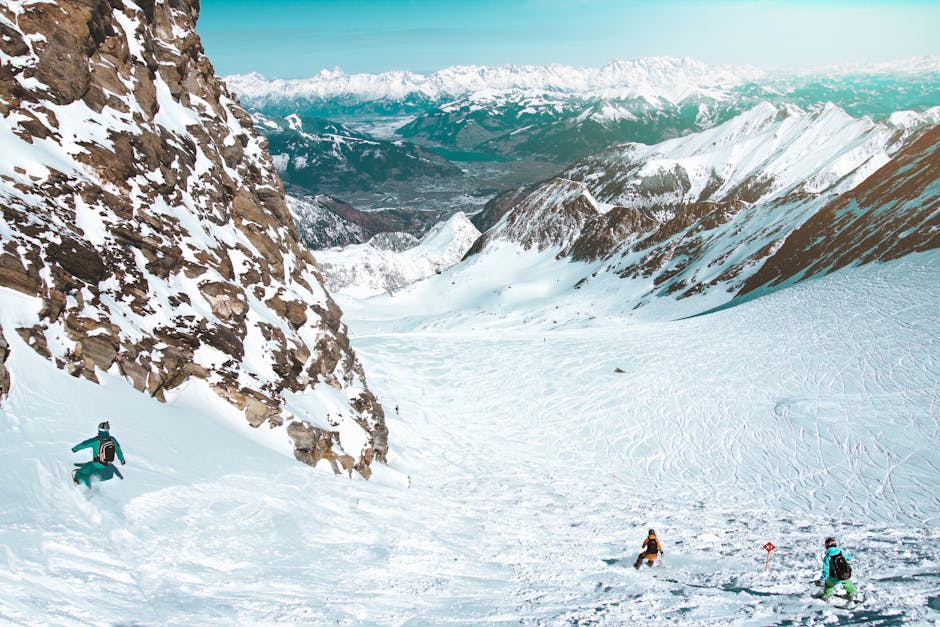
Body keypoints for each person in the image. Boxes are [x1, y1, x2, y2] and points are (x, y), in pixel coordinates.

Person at [71, 421, 125, 488]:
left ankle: (85, 486)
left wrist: (75, 449)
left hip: (96, 464)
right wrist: (122, 460)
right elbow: (118, 450)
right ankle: (90, 475)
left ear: (99, 429)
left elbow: (84, 444)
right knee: (90, 467)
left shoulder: (96, 440)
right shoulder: (112, 439)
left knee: (80, 473)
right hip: (106, 465)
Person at [817, 537, 857, 601]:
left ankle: (826, 596)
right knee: (848, 583)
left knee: (828, 586)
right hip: (844, 575)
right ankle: (852, 594)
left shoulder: (827, 556)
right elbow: (849, 558)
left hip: (833, 577)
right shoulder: (841, 552)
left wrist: (822, 579)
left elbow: (826, 570)